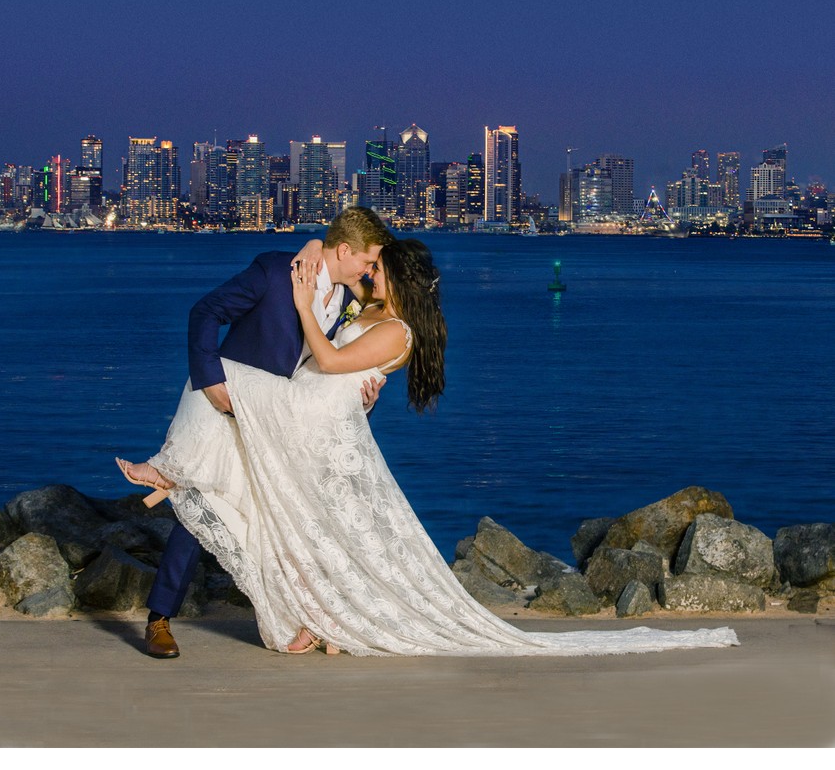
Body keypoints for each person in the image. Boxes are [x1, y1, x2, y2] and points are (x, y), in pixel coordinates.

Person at [118, 235, 739, 659]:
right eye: (366, 264)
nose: (367, 273)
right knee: (248, 498)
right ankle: (182, 559)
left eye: (376, 270)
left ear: (394, 279)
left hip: (302, 417)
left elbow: (334, 355)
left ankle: (173, 477)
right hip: (297, 411)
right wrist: (313, 257)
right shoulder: (337, 286)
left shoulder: (390, 325)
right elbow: (327, 267)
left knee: (234, 427)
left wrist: (321, 334)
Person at [118, 206, 391, 658]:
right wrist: (210, 378)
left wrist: (359, 401)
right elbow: (205, 311)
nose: (370, 270)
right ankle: (159, 619)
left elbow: (319, 370)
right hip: (224, 407)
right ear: (344, 250)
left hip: (275, 425)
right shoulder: (272, 271)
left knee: (270, 521)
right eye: (368, 261)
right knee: (200, 511)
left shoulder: (346, 301)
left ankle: (296, 619)